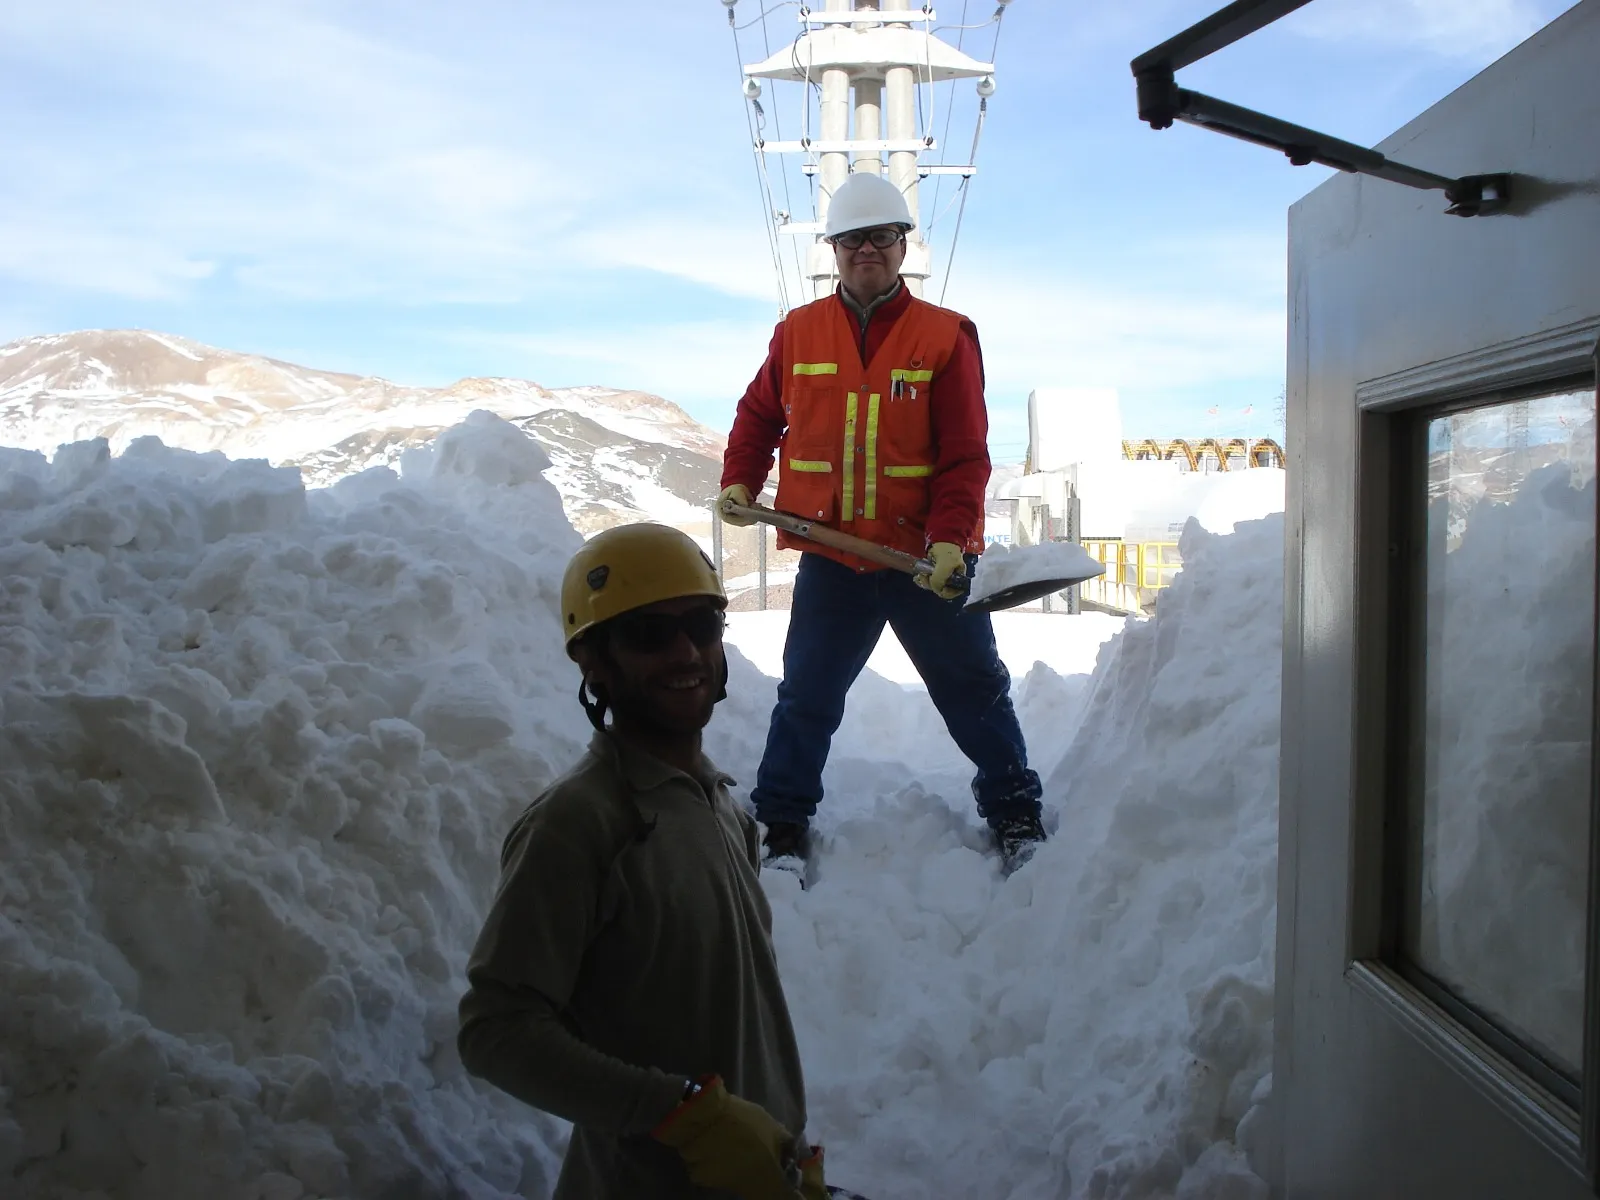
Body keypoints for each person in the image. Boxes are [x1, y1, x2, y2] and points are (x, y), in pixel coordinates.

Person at [457, 522, 827, 1199]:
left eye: (701, 623)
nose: (684, 650)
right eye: (647, 635)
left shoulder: (722, 809)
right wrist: (686, 1116)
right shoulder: (580, 824)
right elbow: (496, 1031)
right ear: (592, 661)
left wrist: (782, 1145)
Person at [718, 170, 1047, 874]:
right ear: (833, 250)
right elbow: (757, 418)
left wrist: (952, 542)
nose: (867, 249)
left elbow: (965, 455)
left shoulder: (944, 337)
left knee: (973, 690)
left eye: (882, 237)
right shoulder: (797, 334)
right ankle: (780, 823)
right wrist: (739, 479)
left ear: (903, 247)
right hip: (832, 561)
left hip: (926, 564)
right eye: (852, 239)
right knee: (805, 695)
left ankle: (1015, 810)